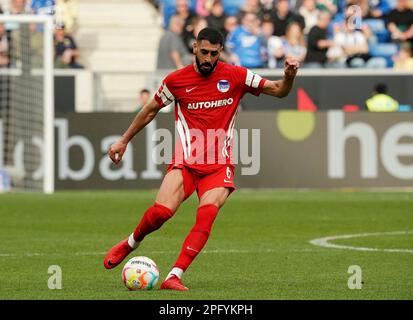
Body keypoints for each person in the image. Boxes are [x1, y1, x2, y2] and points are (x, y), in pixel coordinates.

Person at [103, 27, 299, 291]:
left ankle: (174, 275)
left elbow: (278, 90)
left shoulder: (236, 75)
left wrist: (289, 77)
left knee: (206, 214)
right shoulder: (176, 81)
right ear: (195, 47)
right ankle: (130, 243)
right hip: (186, 161)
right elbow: (150, 110)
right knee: (161, 213)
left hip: (219, 164)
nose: (208, 59)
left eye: (214, 54)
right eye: (204, 52)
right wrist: (124, 140)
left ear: (221, 52)